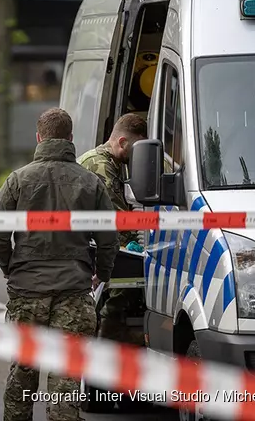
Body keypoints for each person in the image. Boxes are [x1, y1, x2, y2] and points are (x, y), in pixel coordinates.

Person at [0, 107, 120, 421]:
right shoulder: (90, 182)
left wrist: (11, 266)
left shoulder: (18, 179)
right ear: (70, 138)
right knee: (66, 374)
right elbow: (108, 237)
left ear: (39, 137)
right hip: (74, 290)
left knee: (23, 369)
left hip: (27, 289)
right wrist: (102, 272)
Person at [77, 113, 148, 345]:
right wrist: (136, 246)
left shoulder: (110, 163)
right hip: (84, 248)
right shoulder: (100, 165)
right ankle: (106, 351)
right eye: (136, 148)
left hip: (90, 244)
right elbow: (115, 219)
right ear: (122, 143)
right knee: (121, 293)